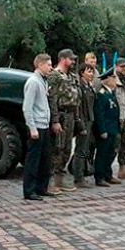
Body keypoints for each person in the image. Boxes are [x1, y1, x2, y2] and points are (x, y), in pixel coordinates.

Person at [47, 49, 82, 193]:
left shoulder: (72, 76)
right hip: (60, 114)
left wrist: (77, 118)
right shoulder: (55, 75)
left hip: (71, 115)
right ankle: (50, 181)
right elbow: (52, 98)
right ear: (62, 59)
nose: (73, 62)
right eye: (71, 59)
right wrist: (55, 120)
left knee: (67, 149)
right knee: (57, 148)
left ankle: (60, 180)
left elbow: (77, 98)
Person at [22, 54, 54, 201]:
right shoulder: (33, 82)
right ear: (40, 65)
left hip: (44, 125)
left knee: (45, 159)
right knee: (33, 160)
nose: (51, 67)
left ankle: (41, 188)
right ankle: (29, 190)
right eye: (48, 64)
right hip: (37, 126)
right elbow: (27, 107)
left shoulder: (43, 81)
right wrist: (32, 128)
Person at [94, 69, 121, 186]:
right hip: (105, 129)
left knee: (110, 152)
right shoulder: (101, 94)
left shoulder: (111, 93)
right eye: (113, 78)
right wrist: (102, 130)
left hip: (113, 128)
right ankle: (99, 177)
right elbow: (99, 114)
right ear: (106, 80)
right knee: (102, 153)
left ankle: (107, 174)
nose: (115, 80)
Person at [72, 63, 96, 188]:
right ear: (82, 73)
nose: (91, 74)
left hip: (89, 120)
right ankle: (78, 177)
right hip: (84, 121)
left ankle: (80, 173)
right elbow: (79, 108)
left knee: (85, 149)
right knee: (80, 150)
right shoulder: (80, 87)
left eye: (92, 72)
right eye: (88, 71)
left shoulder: (89, 86)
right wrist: (80, 125)